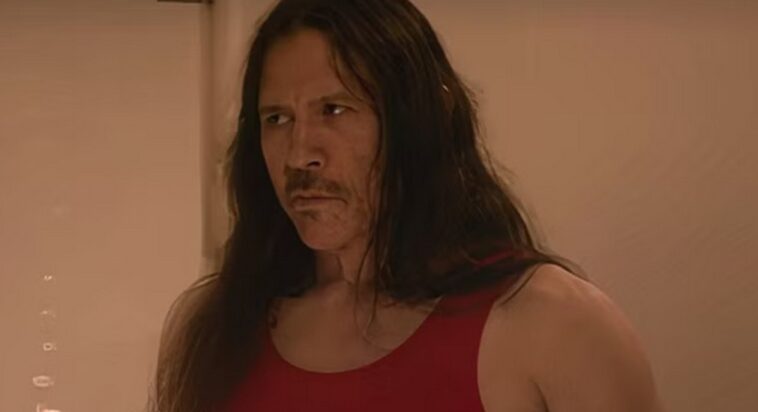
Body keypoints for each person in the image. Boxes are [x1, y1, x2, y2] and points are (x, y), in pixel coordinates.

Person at [148, 0, 665, 411]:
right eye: (277, 119)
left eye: (335, 109)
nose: (300, 153)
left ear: (418, 122)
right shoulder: (219, 328)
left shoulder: (553, 326)